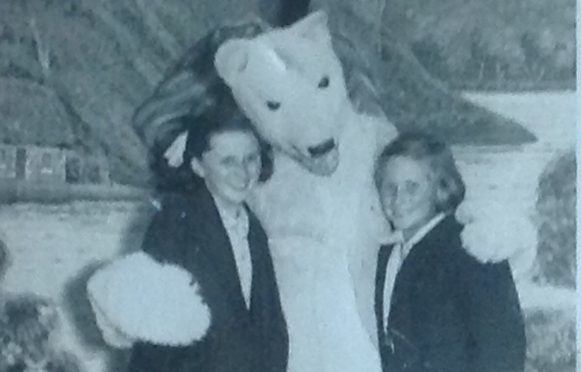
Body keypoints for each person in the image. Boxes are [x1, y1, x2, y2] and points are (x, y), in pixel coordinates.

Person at [126, 85, 288, 372]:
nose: (243, 173)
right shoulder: (175, 225)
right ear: (199, 166)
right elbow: (154, 343)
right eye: (228, 162)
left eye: (250, 159)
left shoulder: (253, 229)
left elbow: (271, 329)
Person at [373, 132, 526, 372]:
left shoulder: (472, 248)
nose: (398, 198)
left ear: (440, 188)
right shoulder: (385, 256)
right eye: (389, 187)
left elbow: (503, 353)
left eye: (411, 187)